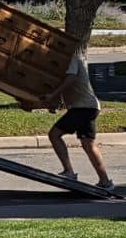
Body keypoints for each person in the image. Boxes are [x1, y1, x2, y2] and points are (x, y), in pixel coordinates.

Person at [46, 46, 114, 190]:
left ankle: (69, 171)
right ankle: (105, 182)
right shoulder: (64, 63)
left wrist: (52, 95)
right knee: (88, 145)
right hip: (90, 106)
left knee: (54, 134)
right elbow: (67, 87)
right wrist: (56, 103)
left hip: (83, 107)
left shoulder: (71, 58)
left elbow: (70, 79)